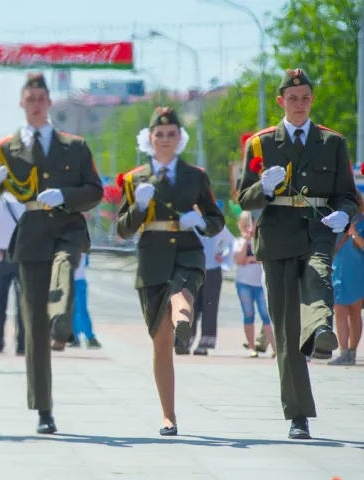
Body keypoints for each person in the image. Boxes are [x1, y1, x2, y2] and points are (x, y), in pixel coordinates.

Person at [237, 68, 360, 439]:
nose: (300, 104)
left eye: (306, 97)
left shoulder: (332, 142)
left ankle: (322, 330)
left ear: (312, 100)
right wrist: (264, 187)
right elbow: (244, 197)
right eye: (293, 98)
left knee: (319, 274)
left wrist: (346, 213)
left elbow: (346, 194)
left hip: (317, 232)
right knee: (287, 331)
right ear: (281, 102)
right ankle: (298, 415)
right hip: (275, 238)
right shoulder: (260, 144)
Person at [0, 73, 103, 434]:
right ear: (22, 103)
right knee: (33, 327)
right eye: (29, 98)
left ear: (49, 103)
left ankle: (63, 321)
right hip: (31, 235)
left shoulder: (75, 146)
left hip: (65, 228)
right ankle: (44, 409)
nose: (35, 104)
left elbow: (95, 190)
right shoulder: (5, 149)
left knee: (66, 266)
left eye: (41, 98)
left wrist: (65, 196)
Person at [116, 107, 225, 436]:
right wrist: (137, 207)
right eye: (159, 134)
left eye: (171, 133)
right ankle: (169, 416)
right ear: (150, 139)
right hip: (152, 258)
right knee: (161, 344)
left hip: (187, 253)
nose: (165, 139)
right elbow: (122, 229)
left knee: (183, 291)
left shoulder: (196, 176)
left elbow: (216, 219)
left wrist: (201, 222)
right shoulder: (135, 178)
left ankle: (184, 319)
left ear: (180, 138)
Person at [0, 191, 26, 355]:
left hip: (0, 257)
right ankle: (21, 344)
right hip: (21, 256)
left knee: (1, 304)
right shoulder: (25, 202)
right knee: (22, 304)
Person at [181, 225, 234, 355]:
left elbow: (231, 242)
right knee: (189, 306)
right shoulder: (190, 223)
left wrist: (225, 257)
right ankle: (185, 341)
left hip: (212, 271)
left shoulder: (216, 224)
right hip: (192, 270)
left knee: (209, 307)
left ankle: (205, 343)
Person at [233, 211, 276, 358]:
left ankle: (275, 348)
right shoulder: (238, 241)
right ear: (239, 226)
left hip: (261, 284)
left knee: (266, 315)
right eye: (243, 226)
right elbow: (239, 259)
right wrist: (246, 242)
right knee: (248, 314)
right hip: (244, 283)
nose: (247, 229)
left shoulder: (260, 240)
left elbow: (264, 258)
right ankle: (252, 347)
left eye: (249, 226)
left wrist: (250, 259)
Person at [328, 192, 364, 365]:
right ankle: (343, 352)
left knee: (355, 313)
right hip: (338, 272)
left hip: (357, 272)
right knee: (340, 312)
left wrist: (355, 234)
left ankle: (352, 351)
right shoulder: (336, 220)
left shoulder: (362, 220)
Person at [71, 253, 100, 348]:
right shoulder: (83, 245)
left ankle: (85, 337)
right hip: (79, 280)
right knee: (79, 310)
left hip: (75, 280)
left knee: (77, 310)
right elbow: (86, 262)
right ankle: (84, 337)